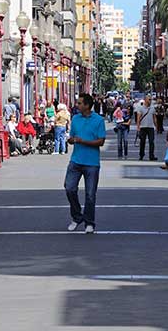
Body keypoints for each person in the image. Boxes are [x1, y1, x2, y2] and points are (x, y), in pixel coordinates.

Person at [64, 93, 106, 234]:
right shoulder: (75, 119)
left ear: (87, 105)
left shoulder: (99, 120)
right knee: (69, 188)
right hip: (76, 160)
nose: (77, 105)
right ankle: (77, 216)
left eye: (80, 103)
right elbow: (73, 136)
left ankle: (89, 222)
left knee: (90, 194)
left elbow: (101, 141)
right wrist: (71, 140)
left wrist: (83, 141)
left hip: (92, 162)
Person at [133, 96, 157, 161]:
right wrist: (138, 127)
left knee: (151, 142)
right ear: (145, 100)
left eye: (151, 99)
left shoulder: (152, 108)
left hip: (151, 127)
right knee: (142, 142)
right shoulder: (140, 108)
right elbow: (138, 118)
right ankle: (141, 155)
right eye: (149, 99)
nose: (150, 100)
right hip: (143, 127)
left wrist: (156, 126)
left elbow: (154, 118)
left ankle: (151, 156)